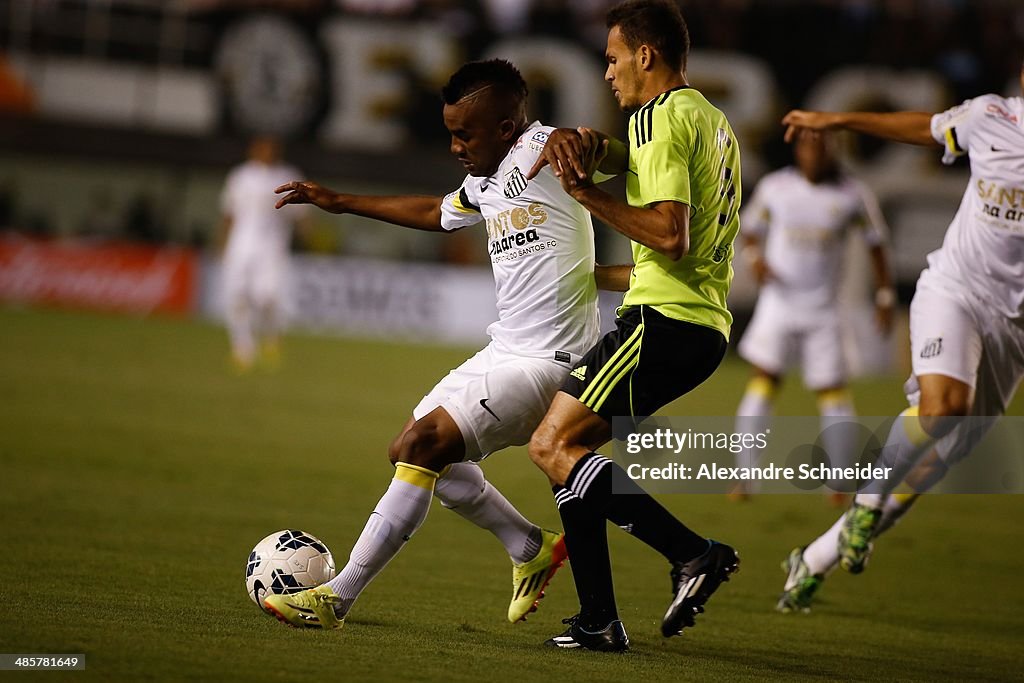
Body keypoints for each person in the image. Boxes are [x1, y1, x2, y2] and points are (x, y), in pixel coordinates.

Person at [263, 59, 619, 630]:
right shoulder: (483, 179)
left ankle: (337, 597)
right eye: (451, 132)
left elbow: (601, 149)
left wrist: (592, 143)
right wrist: (339, 201)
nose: (455, 145)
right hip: (506, 349)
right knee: (409, 448)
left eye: (464, 133)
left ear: (506, 128)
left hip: (553, 361)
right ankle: (531, 546)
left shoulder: (547, 148)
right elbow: (435, 211)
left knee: (426, 444)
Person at [524, 0, 741, 652]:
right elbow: (679, 240)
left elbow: (669, 235)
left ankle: (693, 552)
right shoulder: (712, 119)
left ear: (646, 56)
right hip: (696, 323)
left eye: (615, 58)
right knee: (570, 453)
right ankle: (598, 619)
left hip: (663, 324)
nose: (610, 72)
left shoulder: (658, 118)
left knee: (549, 445)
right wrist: (599, 150)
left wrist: (588, 193)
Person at [776, 61, 1024, 613]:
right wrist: (839, 118)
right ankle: (866, 500)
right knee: (943, 407)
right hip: (955, 290)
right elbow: (926, 127)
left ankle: (814, 557)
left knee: (938, 461)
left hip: (1014, 327)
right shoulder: (992, 116)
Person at [732, 130, 894, 503]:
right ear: (798, 150)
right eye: (809, 145)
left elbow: (877, 244)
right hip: (779, 303)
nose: (816, 153)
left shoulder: (853, 194)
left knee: (832, 391)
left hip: (824, 309)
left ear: (834, 150)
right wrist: (756, 261)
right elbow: (750, 230)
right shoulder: (776, 188)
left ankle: (838, 481)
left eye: (824, 146)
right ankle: (745, 477)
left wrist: (884, 296)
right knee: (763, 381)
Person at [219, 136, 310, 371]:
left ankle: (272, 334)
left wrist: (310, 236)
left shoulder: (287, 175)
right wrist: (221, 243)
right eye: (264, 148)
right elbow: (229, 213)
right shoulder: (240, 176)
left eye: (272, 149)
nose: (268, 153)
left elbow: (301, 215)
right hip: (241, 244)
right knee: (237, 294)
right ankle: (242, 347)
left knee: (267, 296)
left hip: (273, 246)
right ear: (254, 150)